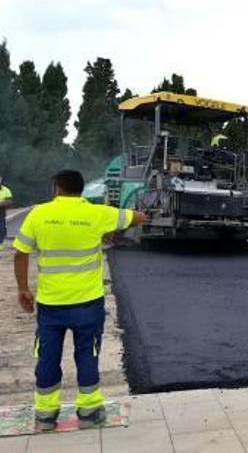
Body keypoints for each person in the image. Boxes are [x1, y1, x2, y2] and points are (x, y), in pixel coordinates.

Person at [12, 170, 147, 431]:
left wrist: (22, 289)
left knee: (47, 356)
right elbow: (138, 217)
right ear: (81, 189)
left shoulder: (39, 214)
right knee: (87, 354)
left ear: (56, 188)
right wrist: (109, 230)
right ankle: (88, 410)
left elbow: (20, 253)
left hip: (51, 304)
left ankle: (45, 414)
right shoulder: (97, 214)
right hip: (88, 303)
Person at [0, 174, 12, 248]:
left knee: (1, 227)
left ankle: (0, 243)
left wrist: (1, 204)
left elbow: (9, 202)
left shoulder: (6, 190)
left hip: (1, 211)